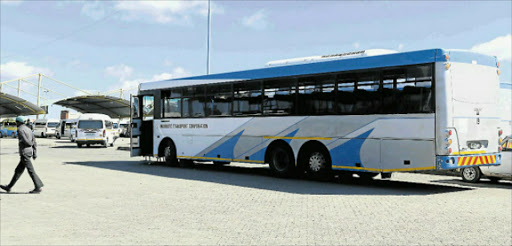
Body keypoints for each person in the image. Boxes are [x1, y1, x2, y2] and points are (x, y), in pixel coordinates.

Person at [0, 116, 44, 193]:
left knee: (31, 170)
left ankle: (38, 186)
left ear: (19, 122)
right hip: (29, 152)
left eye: (16, 122)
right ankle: (9, 187)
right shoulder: (29, 129)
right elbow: (34, 141)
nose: (16, 124)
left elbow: (26, 140)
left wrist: (28, 143)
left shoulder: (20, 129)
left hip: (24, 153)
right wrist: (34, 152)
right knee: (18, 170)